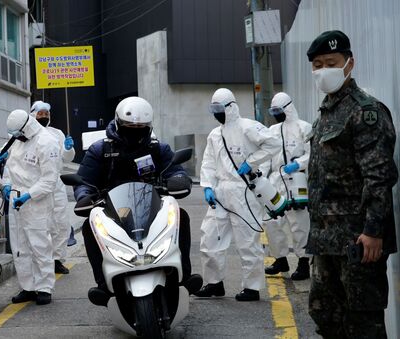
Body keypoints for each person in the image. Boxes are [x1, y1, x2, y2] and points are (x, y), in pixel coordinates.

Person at [305, 30, 397, 338]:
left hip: (358, 243)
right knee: (325, 317)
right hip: (325, 241)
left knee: (363, 325)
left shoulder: (366, 112)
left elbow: (379, 177)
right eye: (317, 65)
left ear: (349, 64)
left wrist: (373, 231)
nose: (322, 70)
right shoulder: (325, 114)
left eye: (330, 62)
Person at [74, 96, 203, 307]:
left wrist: (178, 179)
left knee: (183, 217)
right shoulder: (100, 150)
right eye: (129, 127)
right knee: (88, 228)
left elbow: (175, 169)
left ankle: (184, 276)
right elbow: (84, 181)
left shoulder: (157, 148)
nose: (135, 130)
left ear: (148, 126)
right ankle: (103, 285)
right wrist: (84, 195)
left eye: (140, 127)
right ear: (118, 123)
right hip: (112, 209)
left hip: (152, 204)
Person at [197, 88, 279, 301]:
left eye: (219, 108)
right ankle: (214, 283)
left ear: (230, 107)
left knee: (248, 242)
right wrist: (207, 186)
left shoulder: (248, 127)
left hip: (243, 192)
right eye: (213, 109)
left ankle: (251, 288)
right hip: (221, 193)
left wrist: (251, 163)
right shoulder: (215, 135)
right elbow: (208, 162)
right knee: (209, 239)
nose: (216, 113)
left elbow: (273, 143)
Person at [0, 109, 60, 306]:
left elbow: (49, 179)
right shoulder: (16, 140)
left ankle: (44, 288)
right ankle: (28, 287)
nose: (15, 137)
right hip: (16, 200)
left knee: (40, 245)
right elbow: (8, 167)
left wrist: (28, 195)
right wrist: (6, 184)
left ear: (27, 127)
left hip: (36, 202)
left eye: (17, 133)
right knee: (19, 246)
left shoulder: (46, 142)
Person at [260, 92, 312, 280]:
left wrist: (298, 164)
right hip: (275, 182)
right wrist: (260, 176)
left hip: (296, 181)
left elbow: (311, 153)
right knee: (271, 222)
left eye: (278, 110)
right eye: (273, 111)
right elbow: (266, 156)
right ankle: (280, 259)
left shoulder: (304, 128)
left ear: (288, 108)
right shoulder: (272, 130)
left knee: (299, 224)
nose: (276, 114)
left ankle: (303, 263)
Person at [30, 100, 75, 274]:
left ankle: (57, 260)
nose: (44, 116)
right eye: (40, 113)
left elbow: (67, 159)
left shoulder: (57, 133)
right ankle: (42, 261)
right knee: (43, 225)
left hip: (56, 185)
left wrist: (68, 149)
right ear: (33, 114)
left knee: (60, 223)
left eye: (46, 114)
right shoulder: (28, 134)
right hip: (37, 184)